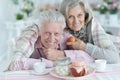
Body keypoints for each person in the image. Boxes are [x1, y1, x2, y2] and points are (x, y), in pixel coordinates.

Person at [8, 10, 94, 70]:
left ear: (62, 32)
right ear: (39, 31)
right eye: (47, 33)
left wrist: (62, 55)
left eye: (56, 34)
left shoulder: (67, 38)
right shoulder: (31, 37)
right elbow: (15, 63)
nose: (52, 39)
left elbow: (90, 58)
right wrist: (52, 63)